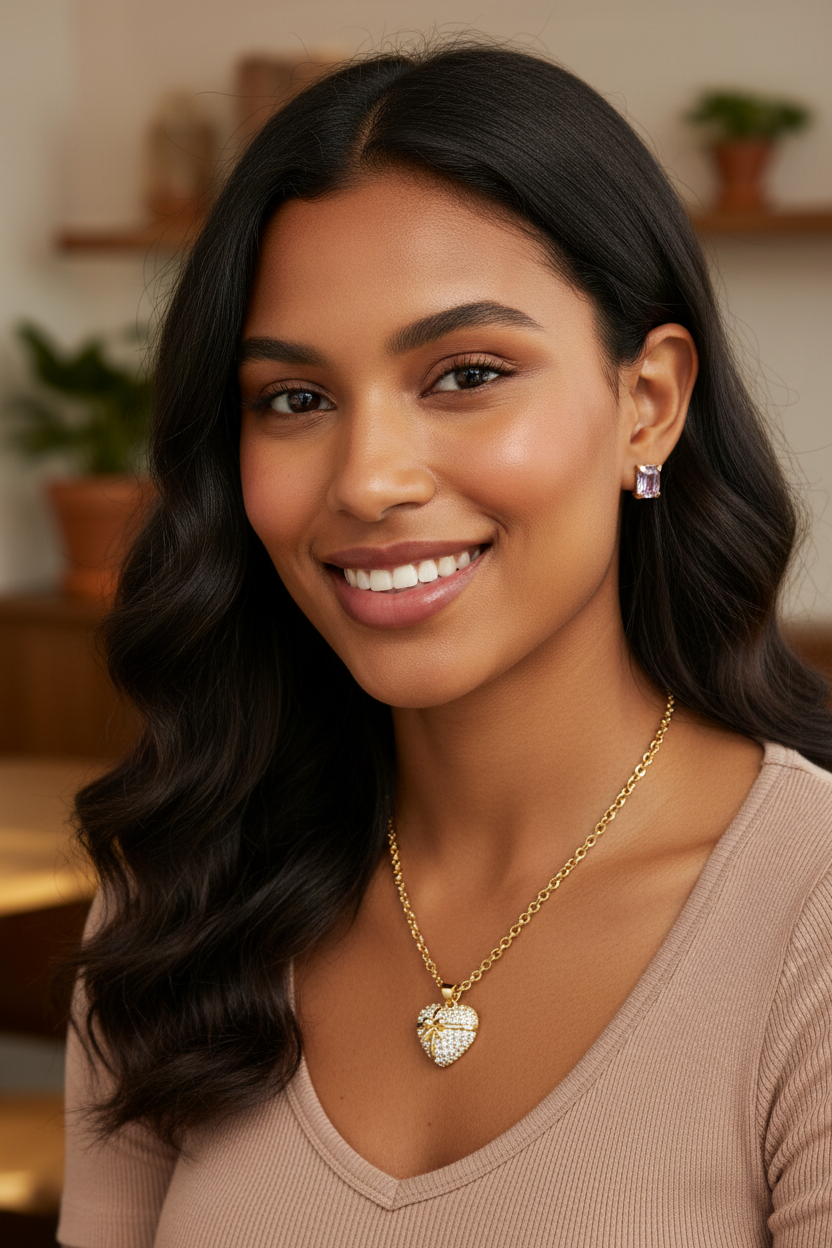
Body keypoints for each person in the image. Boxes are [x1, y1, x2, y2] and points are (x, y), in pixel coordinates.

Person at [58, 40, 832, 1248]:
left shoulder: (808, 917)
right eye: (295, 400)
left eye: (465, 373)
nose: (368, 481)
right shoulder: (182, 887)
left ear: (650, 401)